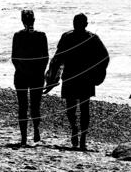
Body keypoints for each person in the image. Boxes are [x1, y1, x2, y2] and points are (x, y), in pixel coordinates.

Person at [45, 13, 109, 150]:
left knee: (73, 108)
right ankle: (79, 134)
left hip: (75, 78)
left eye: (79, 23)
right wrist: (98, 74)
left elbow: (57, 58)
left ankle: (79, 133)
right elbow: (105, 57)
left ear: (85, 24)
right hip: (82, 78)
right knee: (81, 109)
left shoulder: (76, 37)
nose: (77, 25)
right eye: (76, 22)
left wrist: (51, 78)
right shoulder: (90, 38)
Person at [11, 9, 49, 146]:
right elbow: (45, 58)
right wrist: (41, 72)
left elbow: (14, 58)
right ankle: (36, 130)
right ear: (34, 20)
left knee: (22, 106)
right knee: (35, 106)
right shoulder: (41, 35)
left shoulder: (17, 35)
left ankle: (23, 138)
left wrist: (21, 69)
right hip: (36, 75)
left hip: (21, 74)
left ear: (22, 21)